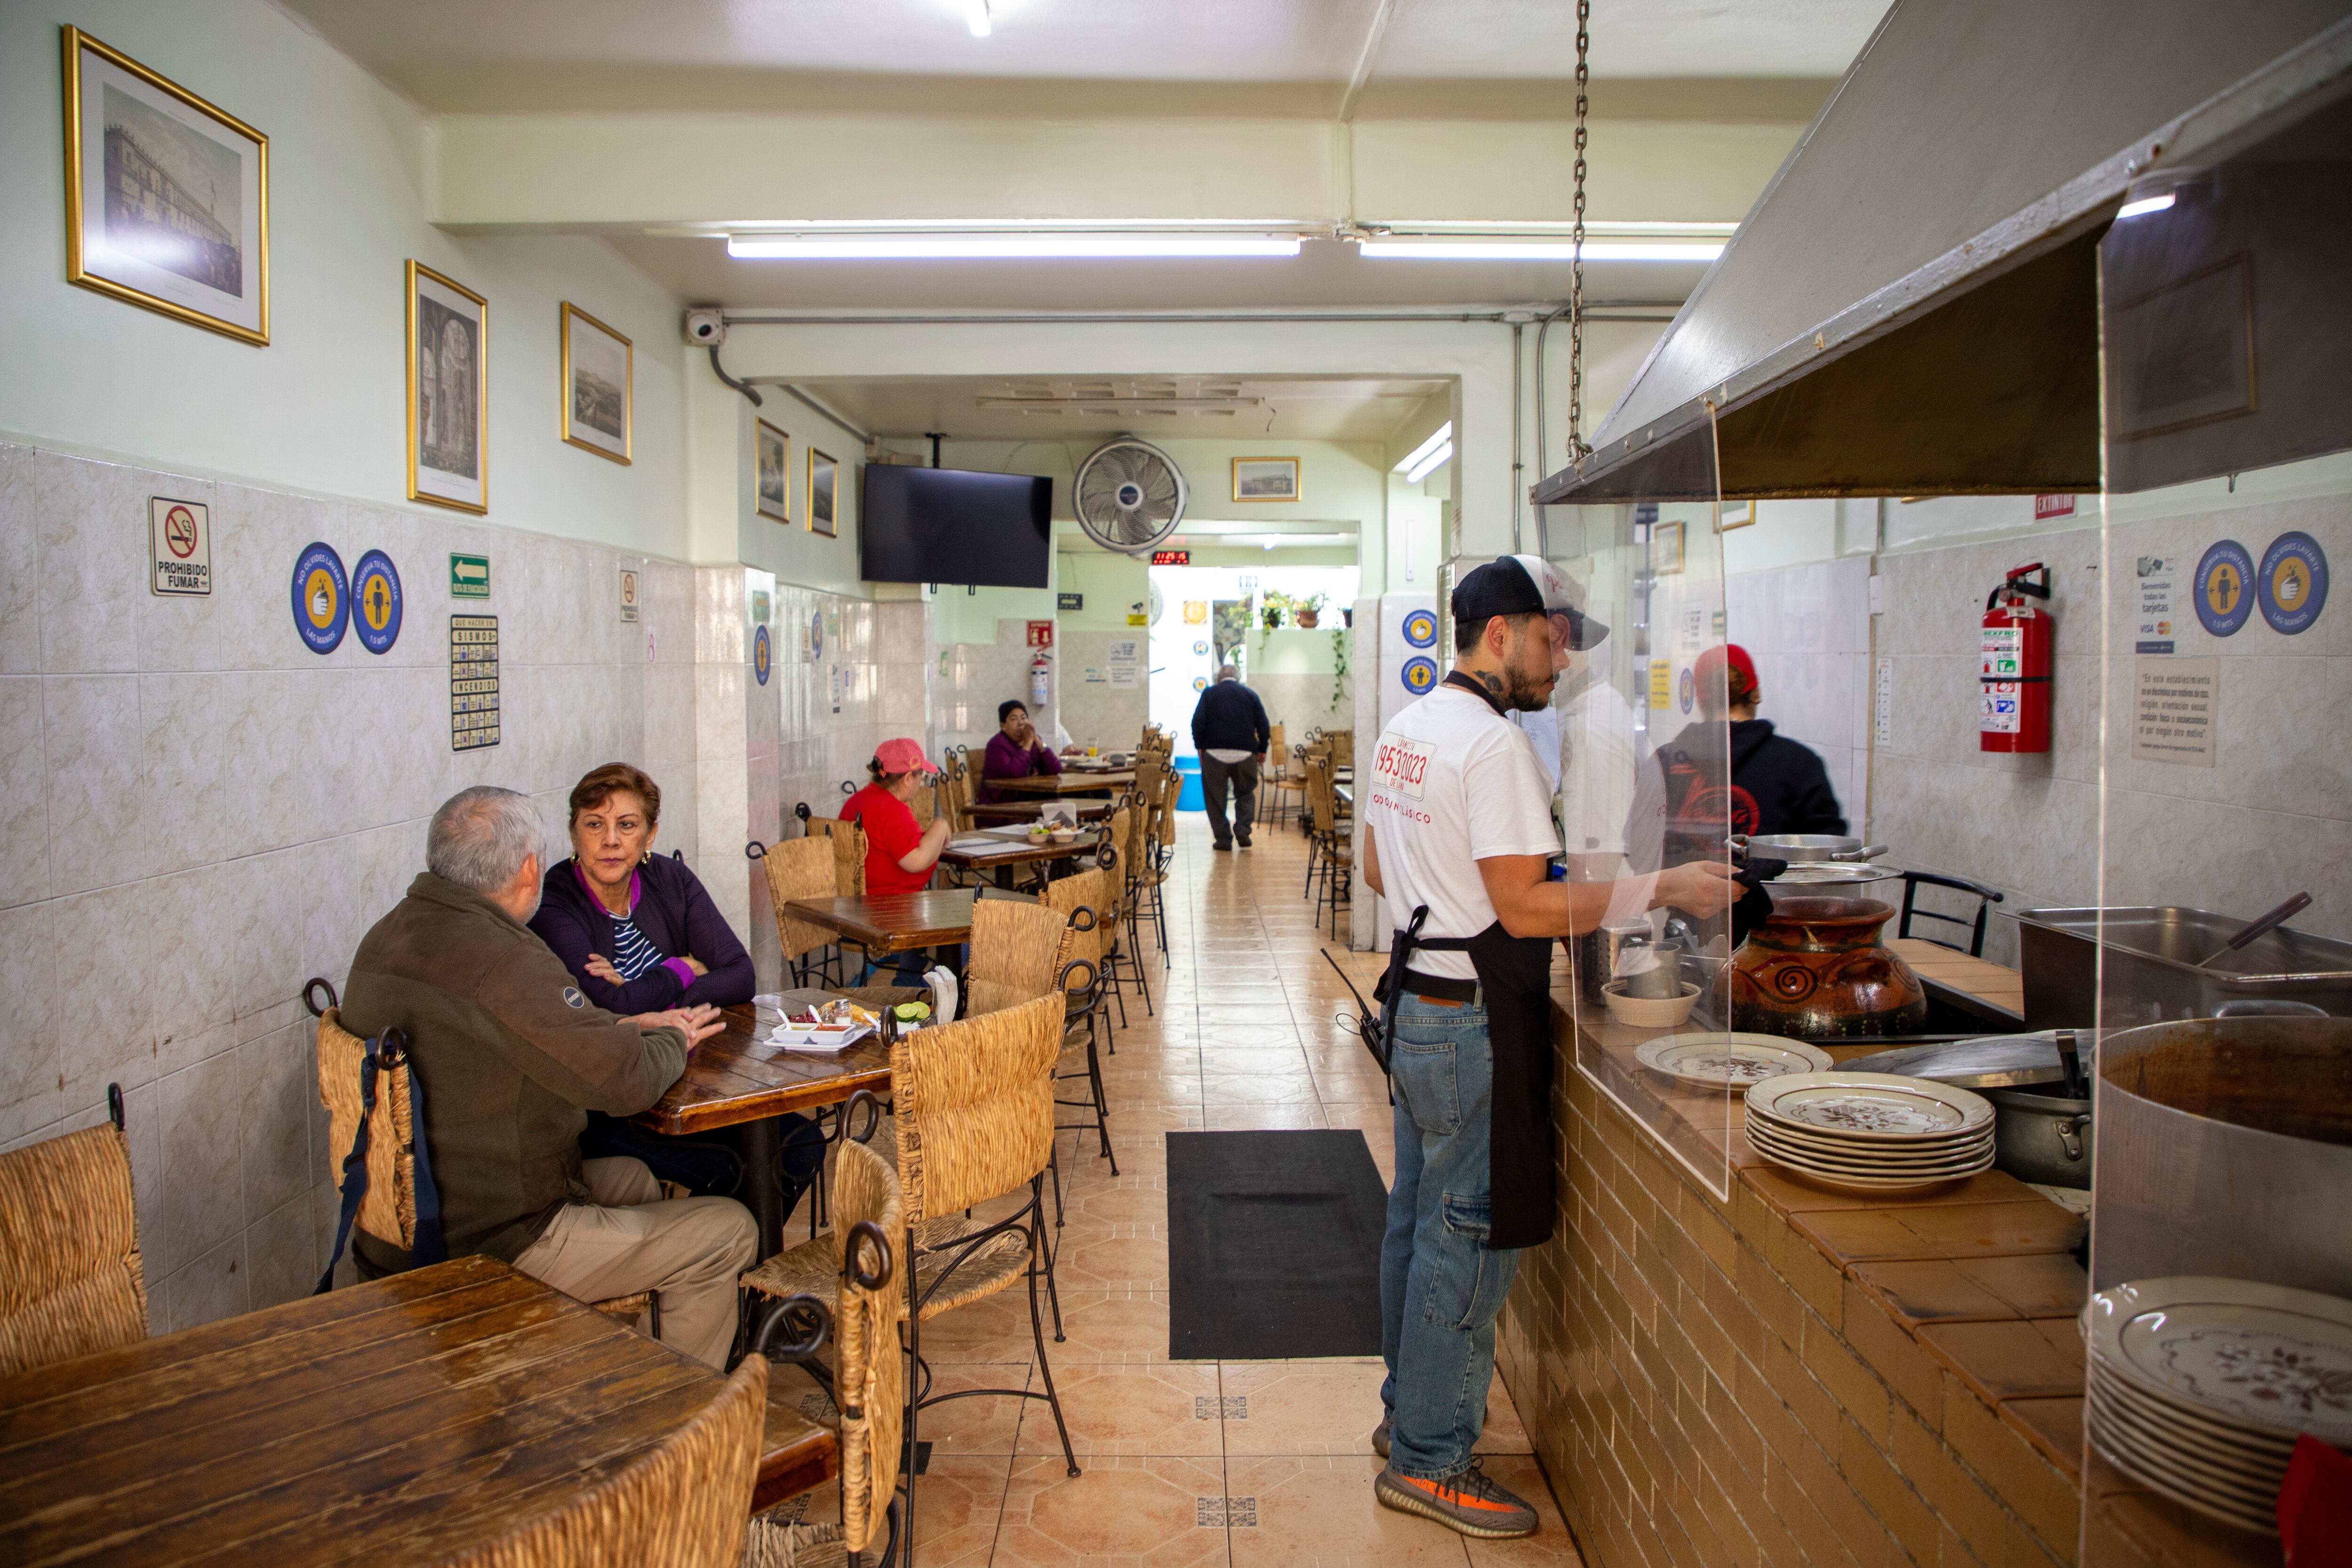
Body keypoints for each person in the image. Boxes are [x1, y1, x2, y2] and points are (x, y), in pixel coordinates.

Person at [1360, 556, 1740, 1539]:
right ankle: (1430, 1460)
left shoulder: (1406, 727)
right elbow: (1524, 906)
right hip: (1465, 1016)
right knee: (1465, 1232)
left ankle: (1409, 1411)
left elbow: (1376, 862)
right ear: (1500, 633)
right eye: (1549, 635)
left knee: (1415, 1215)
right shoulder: (1492, 746)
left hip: (1415, 1001)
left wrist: (1472, 877)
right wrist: (1660, 888)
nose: (1557, 654)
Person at [340, 786, 752, 1368]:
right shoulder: (505, 959)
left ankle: (610, 1372)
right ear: (530, 869)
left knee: (634, 1177)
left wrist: (621, 1023)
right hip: (490, 1236)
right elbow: (625, 1083)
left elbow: (535, 1033)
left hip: (411, 1216)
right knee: (726, 1230)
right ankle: (678, 1426)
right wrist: (671, 1036)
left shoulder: (387, 935)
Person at [532, 763, 822, 1213]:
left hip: (688, 1079)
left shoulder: (670, 879)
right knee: (739, 1164)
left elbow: (740, 974)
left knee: (800, 1143)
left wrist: (649, 996)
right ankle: (719, 1259)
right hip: (613, 1103)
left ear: (649, 836)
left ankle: (736, 1274)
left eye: (627, 825)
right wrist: (684, 969)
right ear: (574, 834)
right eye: (595, 825)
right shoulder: (554, 899)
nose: (611, 840)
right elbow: (607, 1002)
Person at [1634, 643, 1847, 940]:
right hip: (1782, 937)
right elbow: (1827, 852)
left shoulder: (1666, 761)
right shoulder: (1798, 763)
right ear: (1756, 693)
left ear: (1700, 700)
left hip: (1691, 935)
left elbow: (1639, 847)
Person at [841, 738, 953, 981]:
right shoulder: (892, 809)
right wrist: (941, 825)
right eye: (920, 777)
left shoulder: (857, 802)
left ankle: (908, 982)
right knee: (962, 928)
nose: (920, 784)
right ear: (907, 779)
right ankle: (918, 988)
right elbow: (916, 861)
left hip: (856, 906)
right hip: (887, 909)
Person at [1190, 663, 1271, 851]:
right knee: (1246, 793)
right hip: (1245, 754)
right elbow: (1264, 725)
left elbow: (1197, 722)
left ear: (1219, 679)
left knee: (1215, 798)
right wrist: (1262, 749)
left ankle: (1223, 839)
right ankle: (1243, 829)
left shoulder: (1209, 694)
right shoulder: (1251, 695)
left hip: (1214, 753)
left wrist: (1200, 747)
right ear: (1238, 678)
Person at [978, 699, 1063, 803]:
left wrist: (1038, 742)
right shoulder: (996, 745)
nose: (1021, 723)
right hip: (1001, 806)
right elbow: (1014, 773)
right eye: (1014, 719)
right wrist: (1027, 744)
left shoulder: (1033, 740)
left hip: (1031, 800)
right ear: (1003, 725)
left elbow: (1055, 769)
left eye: (1023, 718)